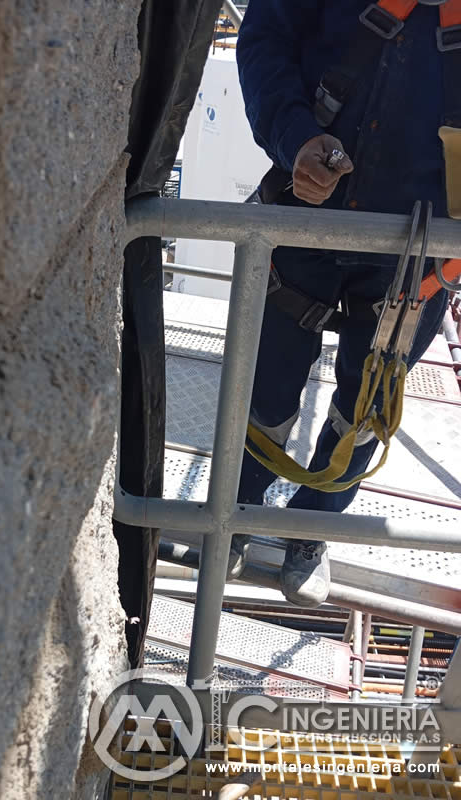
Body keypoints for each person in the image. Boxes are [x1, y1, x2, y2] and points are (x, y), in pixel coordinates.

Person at [235, 0, 455, 607]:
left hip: (420, 253)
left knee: (362, 414)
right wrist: (296, 137)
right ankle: (237, 512)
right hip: (307, 219)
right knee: (265, 393)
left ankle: (312, 528)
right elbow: (266, 42)